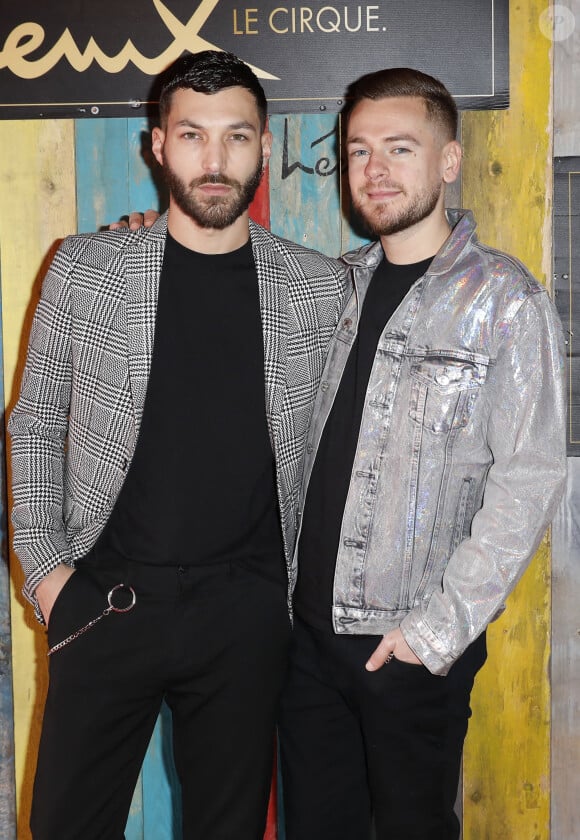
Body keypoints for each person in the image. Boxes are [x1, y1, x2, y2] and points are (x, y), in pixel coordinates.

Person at [8, 50, 346, 840]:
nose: (215, 160)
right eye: (192, 135)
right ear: (157, 144)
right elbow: (33, 421)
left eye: (236, 137)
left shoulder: (318, 286)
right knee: (62, 826)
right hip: (105, 603)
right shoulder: (85, 267)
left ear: (265, 147)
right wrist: (49, 574)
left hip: (247, 613)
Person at [275, 68, 567, 840]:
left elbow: (530, 478)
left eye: (400, 149)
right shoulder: (333, 286)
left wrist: (437, 632)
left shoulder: (506, 300)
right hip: (305, 644)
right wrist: (146, 239)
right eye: (360, 149)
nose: (374, 169)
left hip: (408, 648)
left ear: (448, 161)